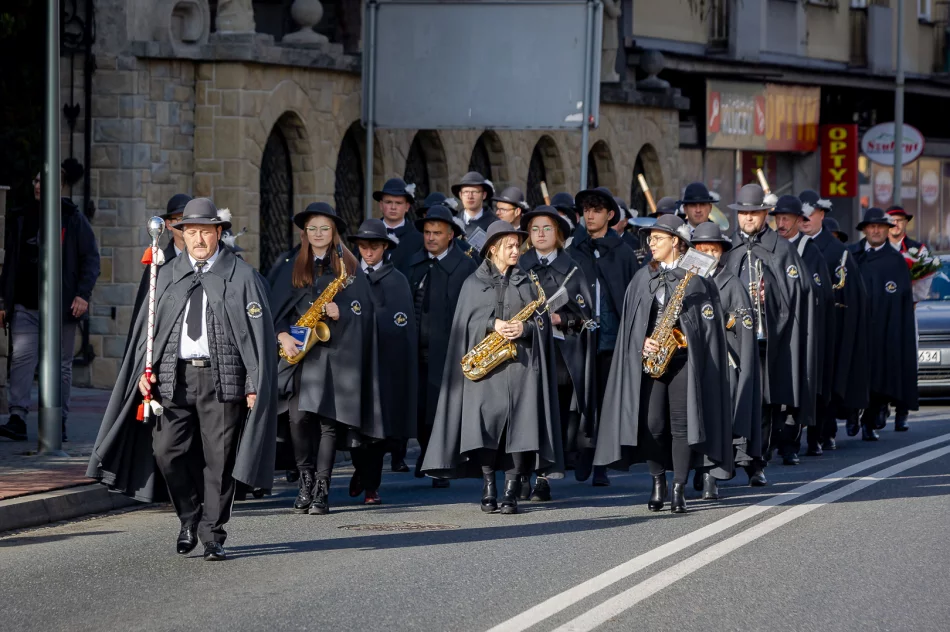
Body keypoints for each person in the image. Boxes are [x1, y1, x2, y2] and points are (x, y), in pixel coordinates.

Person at [86, 197, 277, 561]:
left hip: (223, 380)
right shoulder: (167, 274)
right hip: (174, 378)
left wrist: (255, 382)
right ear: (181, 234)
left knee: (219, 460)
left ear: (219, 233)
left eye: (206, 231)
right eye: (191, 231)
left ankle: (213, 534)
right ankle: (189, 517)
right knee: (167, 451)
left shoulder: (242, 276)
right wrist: (145, 371)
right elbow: (148, 331)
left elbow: (257, 335)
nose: (199, 239)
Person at [421, 221, 562, 515]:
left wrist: (524, 327)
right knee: (482, 428)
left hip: (521, 366)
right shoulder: (473, 283)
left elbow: (542, 321)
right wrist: (491, 324)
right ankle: (488, 485)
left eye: (517, 245)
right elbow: (462, 323)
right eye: (509, 246)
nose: (516, 250)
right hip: (485, 369)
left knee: (519, 428)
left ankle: (510, 490)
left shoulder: (528, 281)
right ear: (493, 249)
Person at [595, 215, 732, 514]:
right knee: (653, 424)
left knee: (682, 426)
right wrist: (642, 341)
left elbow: (709, 323)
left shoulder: (697, 277)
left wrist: (686, 334)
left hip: (684, 361)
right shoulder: (642, 278)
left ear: (676, 242)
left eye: (657, 238)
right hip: (653, 361)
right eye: (650, 239)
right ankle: (658, 482)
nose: (651, 244)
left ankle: (678, 489)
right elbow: (629, 324)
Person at [269, 202, 383, 515]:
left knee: (327, 425)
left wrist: (342, 311)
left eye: (325, 228)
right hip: (297, 354)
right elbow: (272, 309)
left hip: (334, 356)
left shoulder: (347, 265)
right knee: (298, 419)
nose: (319, 234)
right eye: (312, 228)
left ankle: (321, 488)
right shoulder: (289, 262)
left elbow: (365, 310)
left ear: (333, 233)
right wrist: (282, 336)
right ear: (304, 232)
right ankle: (305, 480)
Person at [0, 165, 100, 442]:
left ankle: (59, 420)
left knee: (61, 365)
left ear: (61, 186)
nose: (37, 186)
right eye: (35, 180)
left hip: (62, 308)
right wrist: (3, 300)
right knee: (21, 359)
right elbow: (11, 263)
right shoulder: (21, 218)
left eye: (44, 181)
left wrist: (83, 294)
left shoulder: (72, 218)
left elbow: (91, 259)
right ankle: (17, 417)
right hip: (25, 305)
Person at [722, 184, 813, 485]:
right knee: (730, 397)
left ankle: (757, 461)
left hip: (766, 339)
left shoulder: (781, 248)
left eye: (754, 213)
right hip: (731, 338)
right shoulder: (726, 247)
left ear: (764, 214)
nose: (748, 218)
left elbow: (797, 293)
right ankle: (724, 459)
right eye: (744, 213)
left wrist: (768, 295)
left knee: (762, 401)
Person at [519, 205, 596, 501]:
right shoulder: (520, 265)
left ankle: (542, 478)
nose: (540, 234)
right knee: (527, 414)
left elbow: (587, 316)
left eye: (547, 229)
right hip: (527, 353)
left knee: (555, 417)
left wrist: (561, 319)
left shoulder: (574, 269)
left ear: (559, 235)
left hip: (560, 357)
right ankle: (521, 473)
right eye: (535, 229)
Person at [568, 186, 640, 487]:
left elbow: (631, 295)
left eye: (596, 210)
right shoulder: (574, 250)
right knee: (582, 399)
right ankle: (582, 452)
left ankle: (602, 462)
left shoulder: (622, 252)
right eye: (586, 210)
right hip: (581, 339)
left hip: (611, 340)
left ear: (610, 215)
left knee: (607, 402)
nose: (590, 215)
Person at [407, 205, 479, 487]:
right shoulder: (415, 264)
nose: (431, 237)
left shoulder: (465, 266)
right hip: (416, 349)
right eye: (427, 232)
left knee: (442, 408)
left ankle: (441, 463)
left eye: (437, 233)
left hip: (449, 350)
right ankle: (426, 452)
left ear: (451, 235)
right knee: (420, 407)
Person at [347, 219, 418, 503]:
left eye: (373, 246)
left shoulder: (397, 280)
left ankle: (371, 484)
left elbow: (402, 323)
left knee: (378, 431)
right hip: (355, 363)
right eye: (363, 246)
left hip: (385, 364)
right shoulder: (350, 277)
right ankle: (360, 470)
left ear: (385, 247)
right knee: (354, 425)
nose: (367, 251)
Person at [691, 223, 761, 499]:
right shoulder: (684, 279)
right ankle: (697, 469)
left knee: (718, 420)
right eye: (702, 249)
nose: (708, 254)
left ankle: (713, 476)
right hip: (692, 360)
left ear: (721, 253)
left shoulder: (731, 282)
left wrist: (724, 320)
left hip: (723, 364)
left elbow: (745, 321)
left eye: (713, 250)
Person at [800, 190, 869, 451]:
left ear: (821, 215)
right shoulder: (789, 247)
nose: (805, 219)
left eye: (811, 213)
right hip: (798, 324)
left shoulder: (838, 251)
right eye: (801, 214)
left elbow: (853, 295)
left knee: (825, 381)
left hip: (830, 325)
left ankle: (822, 432)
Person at [771, 195, 830, 462]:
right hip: (772, 329)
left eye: (786, 218)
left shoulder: (809, 249)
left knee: (798, 384)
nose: (781, 223)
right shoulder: (768, 246)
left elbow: (821, 290)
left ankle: (792, 444)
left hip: (800, 329)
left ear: (798, 220)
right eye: (778, 218)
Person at [849, 207, 918, 437]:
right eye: (871, 226)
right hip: (856, 328)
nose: (876, 230)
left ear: (888, 230)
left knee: (879, 375)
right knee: (854, 374)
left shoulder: (895, 261)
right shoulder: (852, 255)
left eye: (880, 226)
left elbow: (902, 300)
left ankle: (871, 419)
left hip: (883, 330)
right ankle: (852, 414)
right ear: (865, 230)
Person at [128, 194, 191, 345]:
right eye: (180, 219)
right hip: (167, 343)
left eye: (189, 219)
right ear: (168, 224)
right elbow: (145, 315)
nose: (185, 225)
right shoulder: (159, 265)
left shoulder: (206, 262)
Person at [375, 177, 422, 275]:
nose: (393, 207)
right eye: (388, 202)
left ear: (407, 207)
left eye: (398, 203)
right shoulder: (369, 233)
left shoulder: (418, 239)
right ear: (381, 205)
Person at [451, 171, 497, 247]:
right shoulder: (452, 223)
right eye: (466, 192)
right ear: (460, 195)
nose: (470, 196)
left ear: (484, 195)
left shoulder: (494, 224)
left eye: (475, 192)